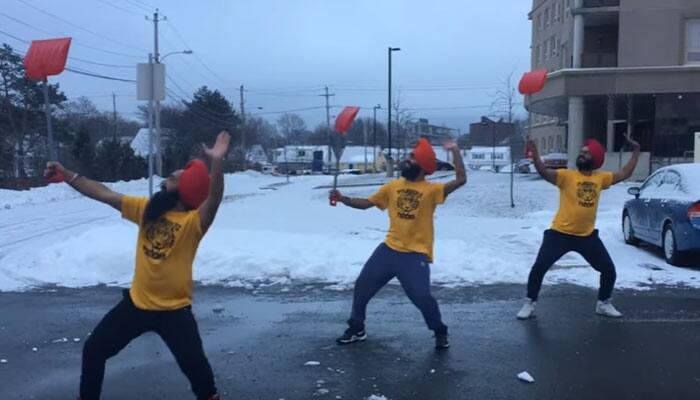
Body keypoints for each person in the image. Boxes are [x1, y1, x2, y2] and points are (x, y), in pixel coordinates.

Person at [45, 131, 231, 400]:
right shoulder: (148, 211)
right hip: (136, 306)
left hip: (175, 312)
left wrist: (217, 161)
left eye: (170, 179)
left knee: (198, 371)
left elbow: (213, 199)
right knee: (94, 350)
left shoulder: (193, 224)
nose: (164, 181)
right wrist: (69, 176)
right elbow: (103, 193)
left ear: (183, 190)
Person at [330, 138, 466, 349]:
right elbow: (367, 204)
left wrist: (455, 151)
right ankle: (357, 328)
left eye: (412, 157)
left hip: (415, 254)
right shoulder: (393, 186)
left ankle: (439, 330)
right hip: (389, 250)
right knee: (362, 286)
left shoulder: (432, 190)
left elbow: (461, 179)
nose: (406, 160)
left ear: (422, 165)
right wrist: (344, 199)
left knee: (422, 297)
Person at [517, 135, 641, 320]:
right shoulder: (566, 175)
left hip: (586, 237)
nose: (582, 155)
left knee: (608, 270)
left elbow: (624, 173)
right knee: (539, 267)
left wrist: (636, 151)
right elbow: (543, 172)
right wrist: (535, 153)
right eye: (581, 152)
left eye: (586, 153)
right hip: (559, 234)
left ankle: (604, 303)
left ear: (595, 159)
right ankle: (530, 302)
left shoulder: (601, 178)